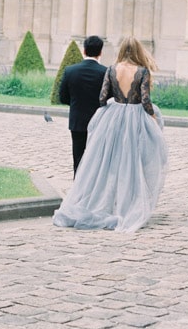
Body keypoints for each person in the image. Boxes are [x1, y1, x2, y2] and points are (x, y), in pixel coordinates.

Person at [53, 36, 168, 233]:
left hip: (114, 116)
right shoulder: (142, 71)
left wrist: (110, 113)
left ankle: (106, 202)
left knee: (108, 162)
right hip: (134, 116)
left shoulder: (111, 69)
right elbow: (146, 101)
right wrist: (152, 118)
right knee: (131, 162)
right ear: (139, 51)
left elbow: (102, 97)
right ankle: (127, 203)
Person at [59, 35, 107, 175]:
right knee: (96, 159)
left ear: (84, 50)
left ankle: (77, 188)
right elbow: (108, 99)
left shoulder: (70, 71)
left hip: (78, 120)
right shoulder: (105, 72)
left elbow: (63, 97)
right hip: (98, 122)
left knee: (78, 158)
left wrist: (76, 104)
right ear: (100, 52)